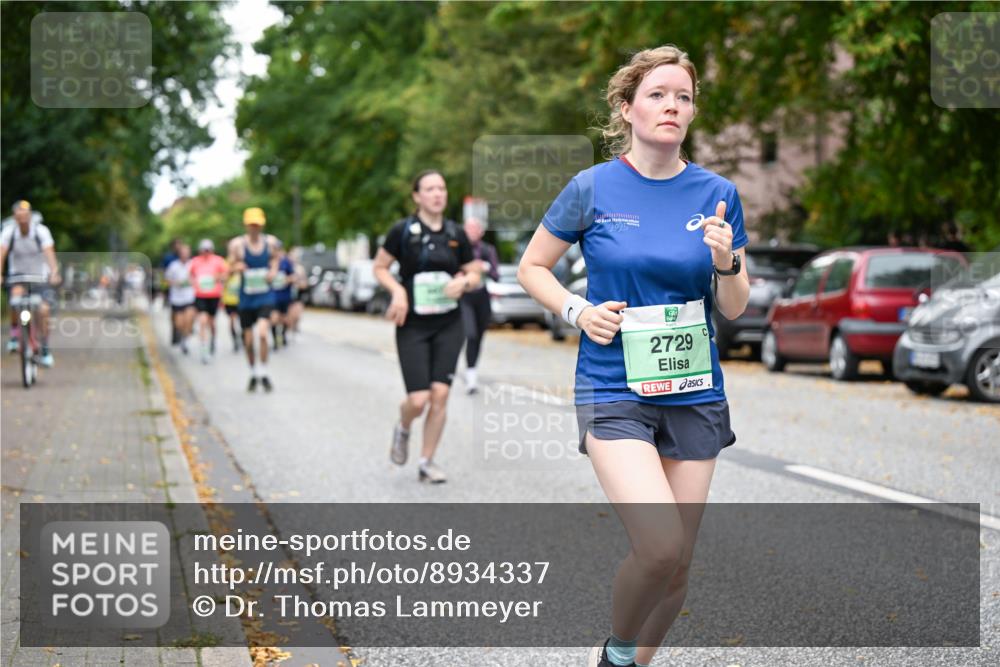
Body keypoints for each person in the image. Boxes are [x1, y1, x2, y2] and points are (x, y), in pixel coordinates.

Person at [517, 45, 750, 667]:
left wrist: (727, 261)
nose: (672, 105)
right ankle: (616, 655)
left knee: (678, 566)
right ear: (627, 108)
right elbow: (532, 266)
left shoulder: (718, 193)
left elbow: (732, 307)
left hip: (695, 391)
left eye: (683, 96)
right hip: (614, 386)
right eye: (657, 94)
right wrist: (576, 310)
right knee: (658, 544)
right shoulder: (591, 188)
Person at [373, 170, 482, 483]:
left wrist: (463, 281)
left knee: (440, 394)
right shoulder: (402, 231)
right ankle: (404, 426)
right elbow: (379, 267)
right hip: (413, 325)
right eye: (430, 189)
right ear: (417, 196)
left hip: (449, 323)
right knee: (418, 399)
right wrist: (396, 292)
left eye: (442, 188)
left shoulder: (455, 233)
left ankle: (426, 461)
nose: (437, 194)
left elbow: (475, 272)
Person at [0, 200, 60, 366]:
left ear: (30, 216)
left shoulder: (41, 231)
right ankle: (14, 336)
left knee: (43, 309)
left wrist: (54, 272)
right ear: (15, 218)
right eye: (20, 217)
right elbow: (2, 253)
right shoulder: (8, 232)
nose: (23, 220)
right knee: (15, 299)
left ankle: (45, 347)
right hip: (18, 275)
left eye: (26, 216)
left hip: (39, 276)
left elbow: (49, 253)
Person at [228, 207, 279, 392]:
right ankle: (253, 372)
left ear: (262, 225)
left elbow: (276, 260)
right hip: (246, 299)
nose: (254, 228)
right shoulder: (237, 245)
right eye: (251, 224)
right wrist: (236, 267)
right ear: (246, 225)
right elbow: (229, 268)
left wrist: (273, 271)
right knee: (249, 342)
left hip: (265, 295)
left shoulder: (271, 242)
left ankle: (263, 372)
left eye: (257, 224)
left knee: (264, 334)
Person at [459, 216, 500, 394]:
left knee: (479, 336)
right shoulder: (458, 249)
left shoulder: (487, 250)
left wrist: (486, 267)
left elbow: (496, 275)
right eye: (468, 228)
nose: (471, 232)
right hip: (464, 297)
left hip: (482, 297)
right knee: (471, 334)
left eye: (474, 228)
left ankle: (472, 372)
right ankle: (468, 375)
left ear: (481, 232)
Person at [188, 239, 228, 363]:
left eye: (208, 250)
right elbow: (190, 275)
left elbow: (226, 275)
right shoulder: (195, 261)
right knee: (203, 321)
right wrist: (193, 282)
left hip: (214, 295)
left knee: (211, 323)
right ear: (200, 250)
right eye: (204, 250)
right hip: (200, 295)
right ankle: (204, 351)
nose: (206, 252)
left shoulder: (219, 260)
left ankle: (213, 340)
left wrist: (218, 278)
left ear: (212, 250)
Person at [164, 243, 196, 355]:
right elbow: (167, 279)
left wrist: (194, 282)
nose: (185, 254)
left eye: (187, 252)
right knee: (179, 324)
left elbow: (199, 277)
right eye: (183, 252)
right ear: (180, 254)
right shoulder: (173, 266)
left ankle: (185, 341)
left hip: (190, 298)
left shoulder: (193, 264)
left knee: (188, 320)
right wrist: (176, 283)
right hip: (177, 299)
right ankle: (183, 337)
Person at [269, 241, 294, 349]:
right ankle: (275, 340)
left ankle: (283, 335)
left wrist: (286, 280)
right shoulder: (268, 262)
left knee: (284, 319)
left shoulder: (286, 262)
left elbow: (293, 276)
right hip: (272, 296)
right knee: (274, 318)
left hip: (285, 295)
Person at [222, 271, 242, 352]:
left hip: (240, 302)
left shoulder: (241, 275)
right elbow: (222, 286)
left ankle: (243, 338)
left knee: (242, 322)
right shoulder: (227, 275)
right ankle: (235, 340)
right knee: (231, 322)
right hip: (229, 302)